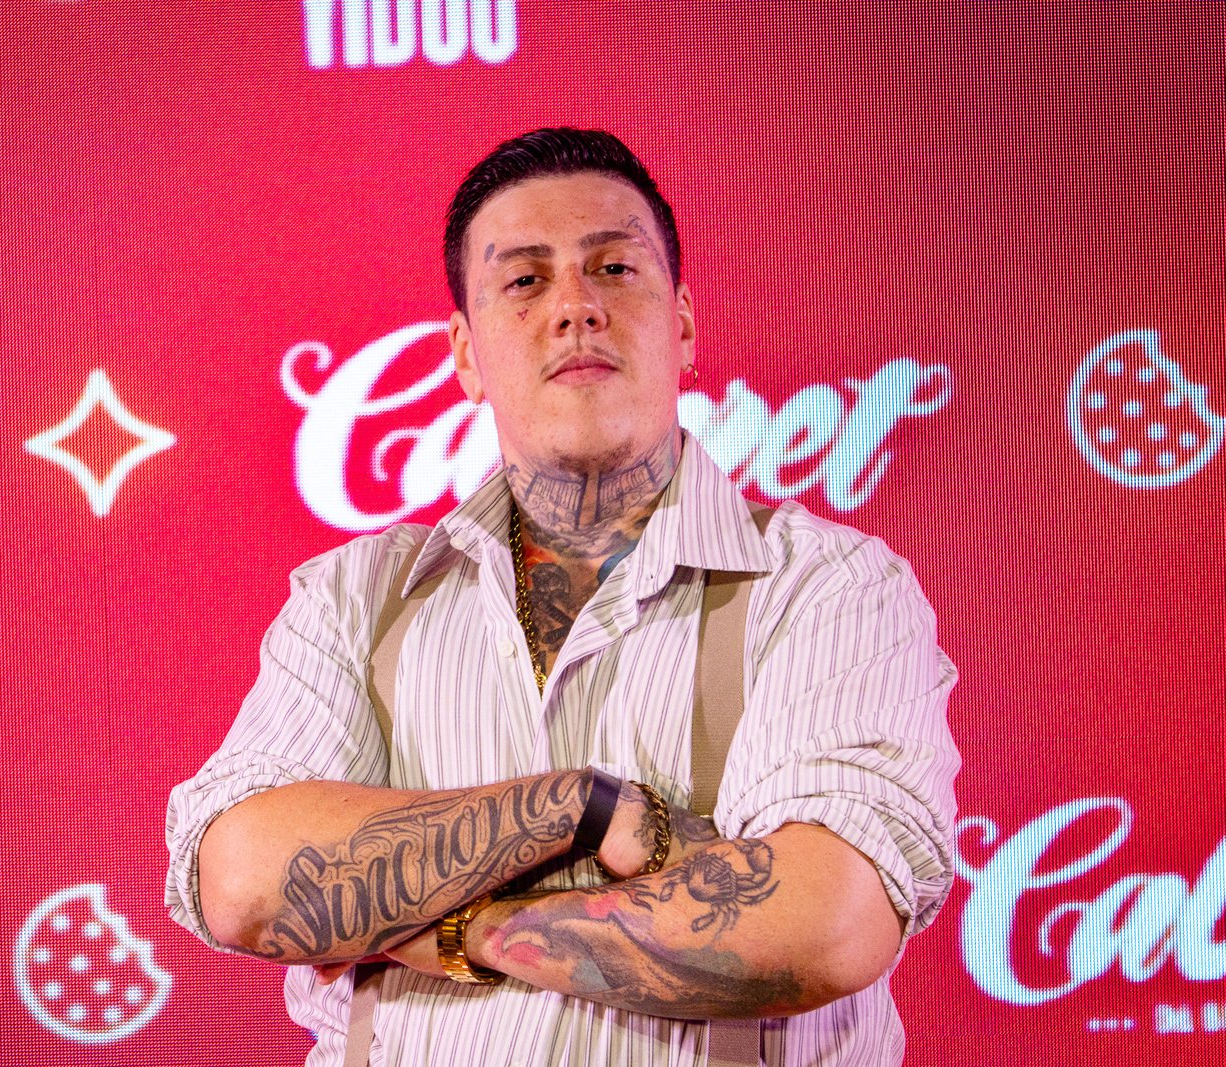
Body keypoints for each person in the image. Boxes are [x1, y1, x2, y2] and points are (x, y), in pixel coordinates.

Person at [165, 127, 960, 1066]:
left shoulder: (830, 585)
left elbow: (822, 925)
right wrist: (581, 807)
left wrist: (461, 929)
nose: (577, 306)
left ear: (683, 325)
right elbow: (245, 882)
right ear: (466, 354)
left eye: (615, 268)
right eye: (525, 280)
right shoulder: (353, 597)